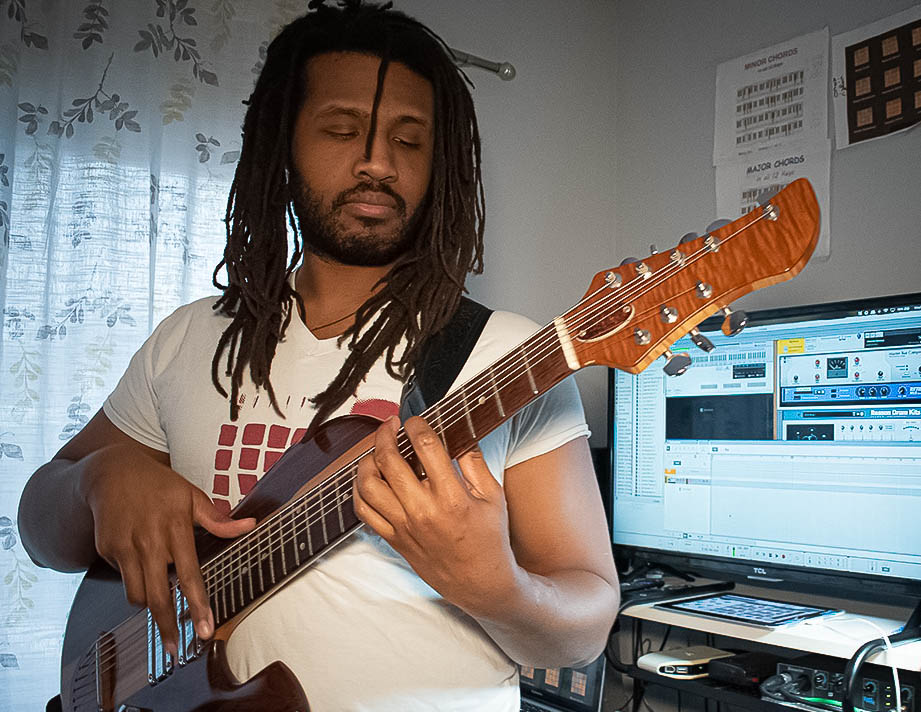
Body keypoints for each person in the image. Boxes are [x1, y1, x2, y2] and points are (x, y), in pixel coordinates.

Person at [18, 1, 619, 709]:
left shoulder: (503, 353)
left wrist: (496, 586)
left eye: (410, 140)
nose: (376, 162)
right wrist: (99, 479)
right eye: (340, 130)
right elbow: (40, 530)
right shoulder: (187, 339)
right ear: (282, 144)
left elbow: (585, 627)